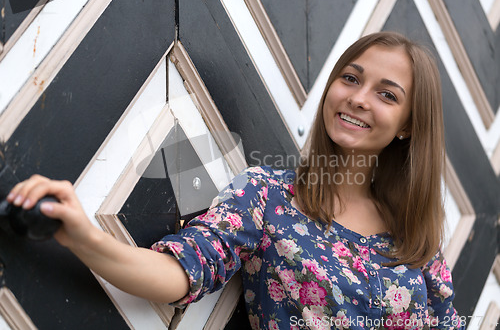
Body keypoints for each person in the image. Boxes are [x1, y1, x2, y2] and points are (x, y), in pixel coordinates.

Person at [7, 32, 464, 329]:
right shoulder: (269, 196)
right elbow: (178, 274)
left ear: (408, 125)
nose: (359, 99)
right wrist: (84, 236)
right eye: (350, 78)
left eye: (386, 94)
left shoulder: (415, 239)